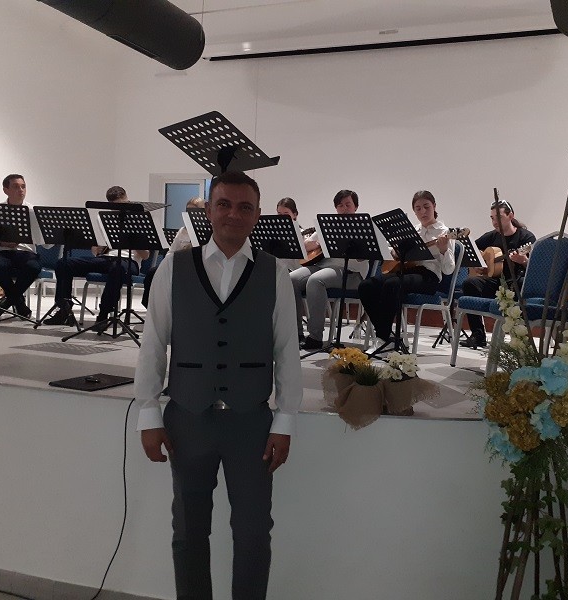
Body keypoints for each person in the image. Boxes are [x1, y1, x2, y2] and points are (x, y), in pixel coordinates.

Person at [135, 170, 302, 600]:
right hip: (187, 419)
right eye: (224, 204)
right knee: (189, 531)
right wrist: (149, 413)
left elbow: (287, 351)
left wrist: (285, 420)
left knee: (253, 534)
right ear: (208, 210)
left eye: (245, 207)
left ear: (257, 215)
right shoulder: (174, 267)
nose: (233, 214)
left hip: (252, 425)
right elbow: (153, 343)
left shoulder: (274, 273)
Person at [358, 190, 455, 350]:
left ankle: (383, 338)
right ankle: (386, 337)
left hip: (429, 277)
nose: (423, 212)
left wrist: (444, 250)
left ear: (434, 206)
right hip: (407, 271)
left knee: (392, 284)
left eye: (427, 207)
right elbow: (394, 251)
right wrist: (395, 252)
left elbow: (448, 270)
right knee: (366, 285)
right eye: (418, 208)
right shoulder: (412, 231)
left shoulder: (444, 233)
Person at [43, 186, 149, 329]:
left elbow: (146, 255)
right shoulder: (104, 218)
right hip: (105, 259)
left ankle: (103, 314)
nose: (118, 211)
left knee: (116, 268)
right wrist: (96, 248)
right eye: (114, 208)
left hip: (128, 262)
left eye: (122, 206)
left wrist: (133, 241)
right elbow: (96, 248)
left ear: (127, 200)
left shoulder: (139, 219)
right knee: (64, 263)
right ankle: (64, 309)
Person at [290, 190, 369, 350]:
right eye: (340, 205)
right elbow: (305, 246)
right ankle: (296, 333)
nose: (344, 209)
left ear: (356, 207)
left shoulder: (363, 226)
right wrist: (316, 243)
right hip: (323, 266)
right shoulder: (328, 225)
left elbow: (366, 256)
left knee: (315, 280)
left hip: (352, 273)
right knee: (291, 279)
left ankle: (315, 337)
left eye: (348, 205)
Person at [459, 199, 536, 349]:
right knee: (469, 284)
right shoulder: (491, 236)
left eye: (498, 217)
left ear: (511, 216)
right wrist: (479, 265)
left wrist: (524, 261)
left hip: (515, 282)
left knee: (520, 284)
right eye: (492, 218)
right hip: (495, 282)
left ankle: (518, 338)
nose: (495, 222)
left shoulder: (526, 238)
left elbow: (534, 269)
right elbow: (471, 251)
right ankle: (478, 335)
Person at [0, 174, 41, 321]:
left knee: (33, 267)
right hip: (4, 252)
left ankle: (5, 303)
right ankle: (19, 304)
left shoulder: (33, 211)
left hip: (26, 252)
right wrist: (3, 243)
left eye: (23, 186)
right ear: (5, 190)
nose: (21, 190)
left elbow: (46, 242)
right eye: (16, 186)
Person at [141, 197, 203, 308]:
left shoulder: (207, 230)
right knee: (152, 272)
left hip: (196, 267)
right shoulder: (183, 230)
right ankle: (150, 306)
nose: (190, 214)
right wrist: (167, 264)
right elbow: (171, 251)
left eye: (194, 211)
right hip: (180, 264)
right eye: (188, 211)